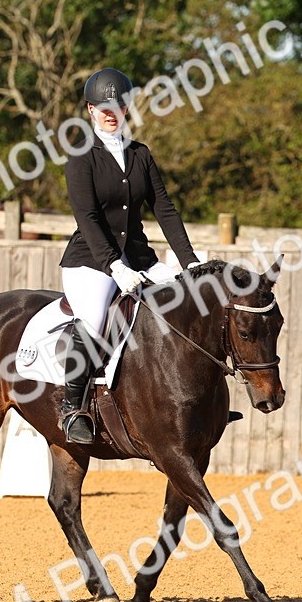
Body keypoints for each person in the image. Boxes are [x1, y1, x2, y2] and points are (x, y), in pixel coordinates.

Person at [57, 67, 201, 444]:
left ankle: (195, 401)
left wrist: (189, 264)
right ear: (90, 109)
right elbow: (86, 217)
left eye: (117, 105)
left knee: (192, 304)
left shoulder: (141, 155)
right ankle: (73, 409)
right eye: (102, 107)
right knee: (93, 318)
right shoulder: (81, 158)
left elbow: (164, 209)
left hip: (140, 259)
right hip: (90, 262)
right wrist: (114, 266)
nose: (110, 112)